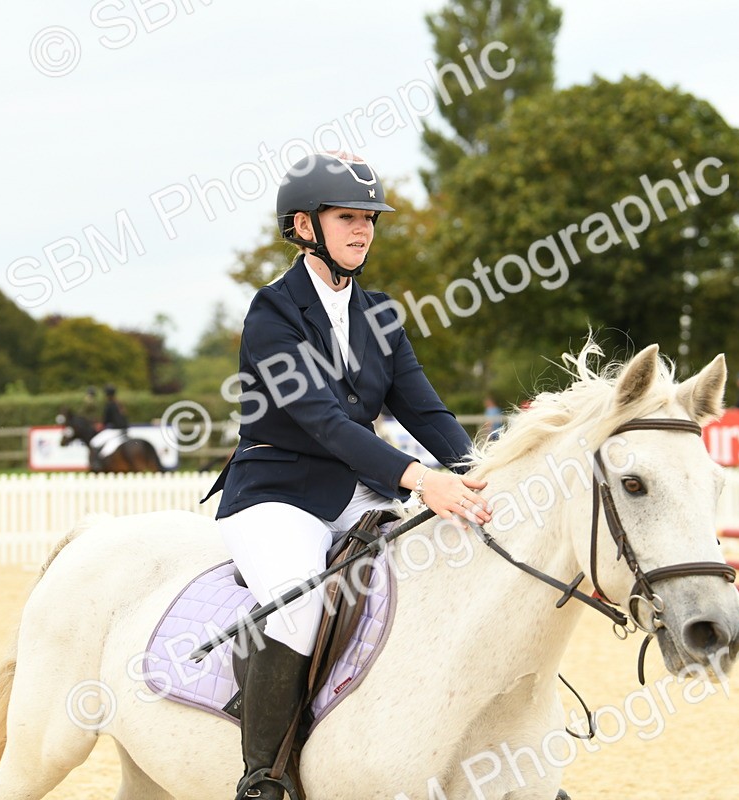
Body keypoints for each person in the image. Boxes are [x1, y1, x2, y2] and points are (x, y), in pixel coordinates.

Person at [203, 152, 491, 800]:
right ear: (305, 226)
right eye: (347, 218)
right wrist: (422, 479)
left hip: (362, 489)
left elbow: (424, 408)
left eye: (369, 219)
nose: (362, 231)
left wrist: (480, 475)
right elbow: (326, 424)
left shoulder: (381, 314)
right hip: (279, 495)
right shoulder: (271, 314)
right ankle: (264, 776)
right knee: (301, 598)